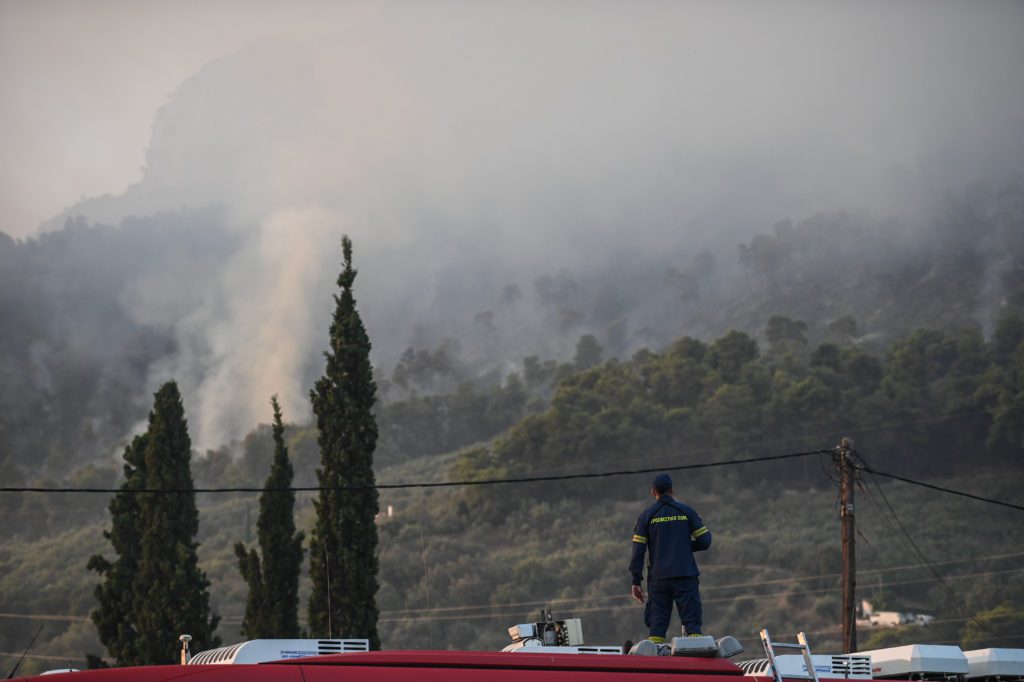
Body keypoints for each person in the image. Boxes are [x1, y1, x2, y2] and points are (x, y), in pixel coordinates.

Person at [629, 472, 711, 643]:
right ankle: (696, 663)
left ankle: (656, 664)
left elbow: (638, 552)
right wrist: (684, 547)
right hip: (685, 575)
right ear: (672, 490)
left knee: (657, 625)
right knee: (692, 624)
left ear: (653, 492)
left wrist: (636, 581)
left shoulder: (646, 516)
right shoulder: (686, 511)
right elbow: (705, 541)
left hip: (658, 579)